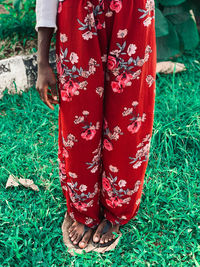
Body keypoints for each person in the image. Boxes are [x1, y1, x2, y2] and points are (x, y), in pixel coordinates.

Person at [36, 0, 156, 250]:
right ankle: (82, 209)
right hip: (77, 13)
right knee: (79, 115)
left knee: (129, 114)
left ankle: (117, 209)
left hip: (133, 13)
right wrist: (42, 62)